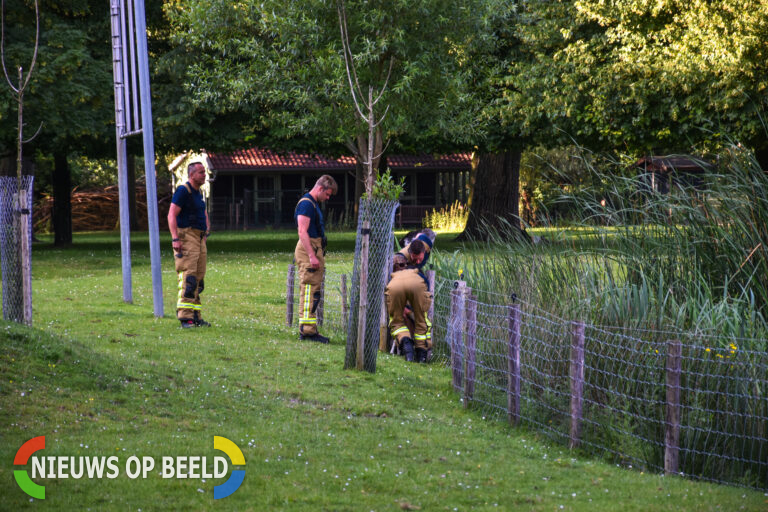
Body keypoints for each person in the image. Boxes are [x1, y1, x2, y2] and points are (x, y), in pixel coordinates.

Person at [294, 174, 338, 343]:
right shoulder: (307, 204)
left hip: (314, 247)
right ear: (320, 188)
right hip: (308, 249)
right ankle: (307, 331)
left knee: (313, 291)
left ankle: (310, 329)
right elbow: (302, 231)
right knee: (308, 292)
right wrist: (312, 256)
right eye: (327, 194)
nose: (327, 198)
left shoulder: (312, 203)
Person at [168, 162, 211, 328]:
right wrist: (175, 238)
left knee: (199, 278)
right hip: (187, 236)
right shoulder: (183, 191)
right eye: (201, 172)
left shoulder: (198, 192)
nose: (204, 175)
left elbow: (203, 212)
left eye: (204, 172)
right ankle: (185, 317)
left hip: (199, 237)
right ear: (192, 175)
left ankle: (195, 315)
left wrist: (206, 231)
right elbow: (171, 214)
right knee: (189, 276)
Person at [385, 247, 432, 362]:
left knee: (396, 322)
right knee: (422, 320)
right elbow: (426, 288)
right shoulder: (417, 273)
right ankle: (422, 355)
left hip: (394, 286)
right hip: (417, 285)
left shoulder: (392, 277)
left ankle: (407, 348)